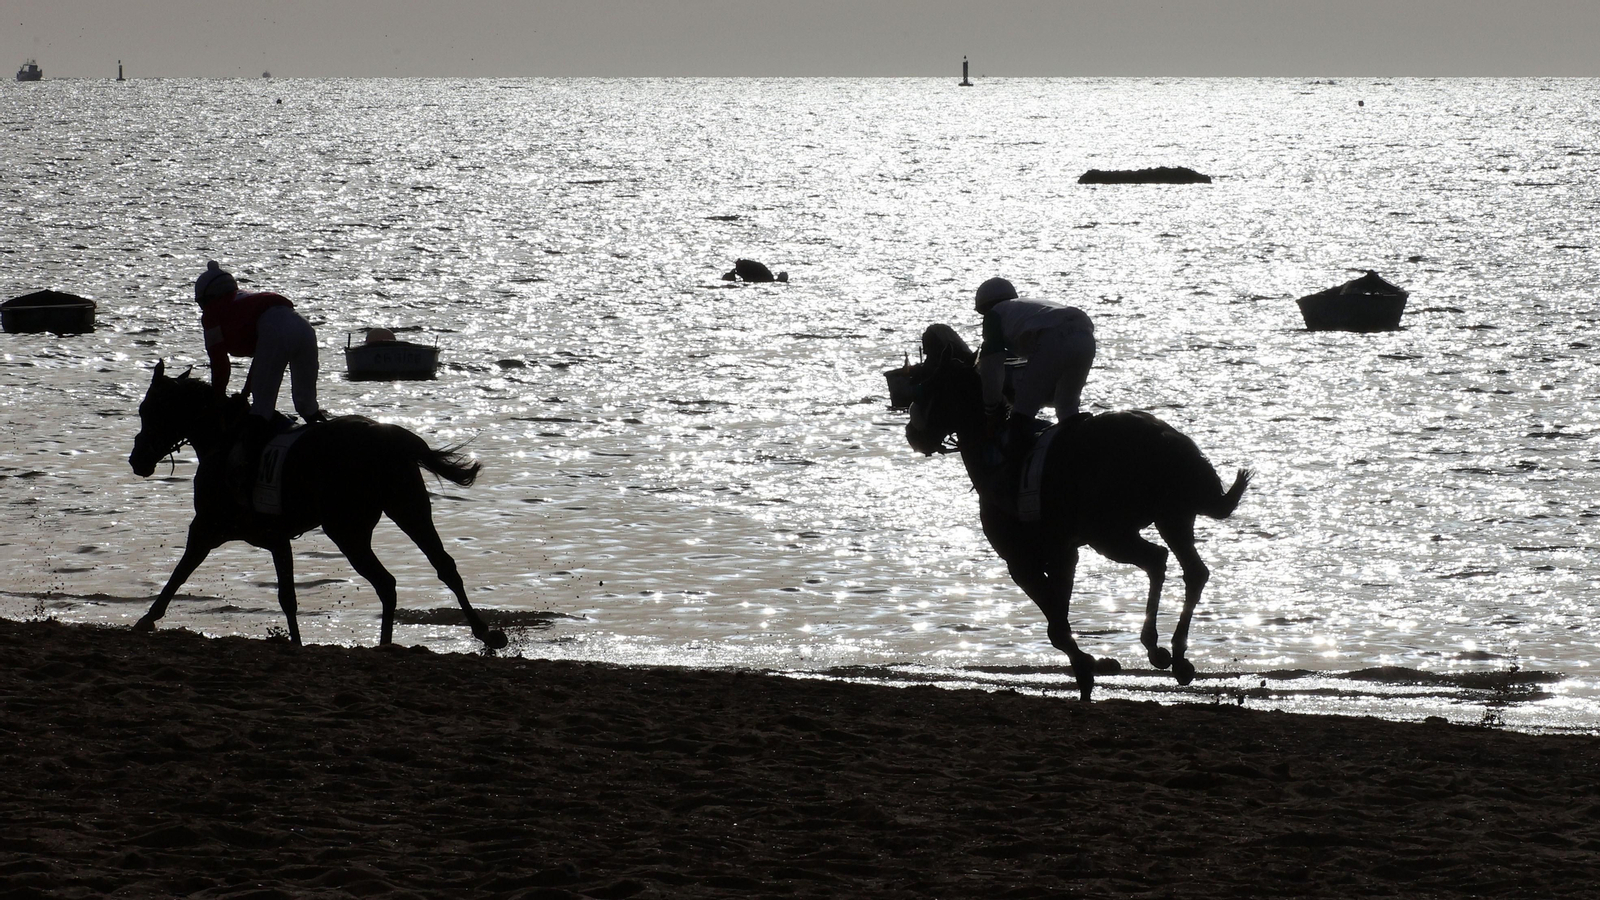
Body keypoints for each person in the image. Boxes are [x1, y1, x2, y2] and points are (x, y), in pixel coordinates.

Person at [193, 261, 327, 491]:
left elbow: (220, 364)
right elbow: (263, 356)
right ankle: (329, 443)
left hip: (277, 329)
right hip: (303, 326)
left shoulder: (213, 313)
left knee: (261, 411)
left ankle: (246, 472)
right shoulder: (246, 301)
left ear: (208, 299)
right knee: (306, 405)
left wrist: (218, 398)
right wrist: (245, 392)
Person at [973, 277, 1095, 455]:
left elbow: (992, 368)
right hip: (1085, 335)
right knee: (1067, 408)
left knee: (1022, 413)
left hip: (1053, 338)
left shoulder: (995, 315)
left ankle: (1016, 468)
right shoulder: (1026, 309)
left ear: (985, 308)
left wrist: (991, 410)